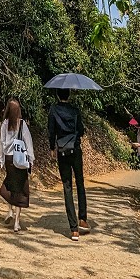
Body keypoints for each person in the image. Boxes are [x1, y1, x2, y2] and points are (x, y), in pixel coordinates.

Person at [48, 88, 90, 240]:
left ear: (57, 94)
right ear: (69, 95)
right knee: (80, 183)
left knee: (67, 187)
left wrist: (52, 148)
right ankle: (83, 219)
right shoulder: (75, 110)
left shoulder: (53, 110)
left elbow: (51, 131)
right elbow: (81, 130)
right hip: (76, 149)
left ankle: (74, 230)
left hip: (62, 151)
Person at [0, 97, 35, 232]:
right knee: (20, 188)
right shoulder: (22, 124)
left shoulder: (4, 124)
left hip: (8, 159)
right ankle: (17, 222)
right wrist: (31, 159)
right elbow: (28, 142)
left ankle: (10, 211)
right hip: (19, 159)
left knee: (11, 185)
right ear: (18, 110)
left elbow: (2, 143)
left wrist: (0, 159)